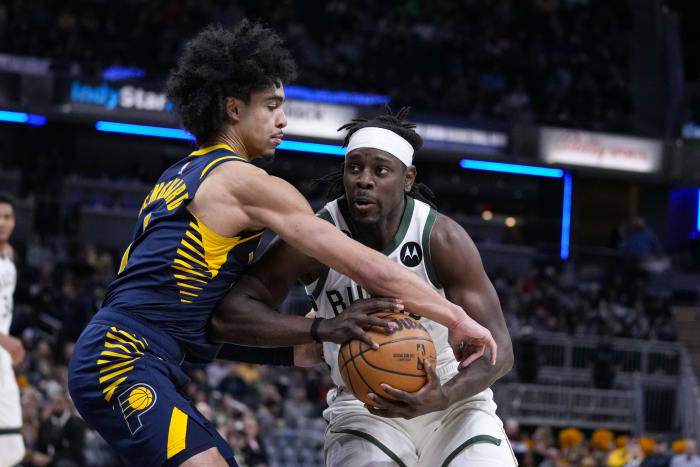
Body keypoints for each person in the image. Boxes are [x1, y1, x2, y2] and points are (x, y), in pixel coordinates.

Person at [67, 21, 496, 467]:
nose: (283, 120)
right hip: (124, 356)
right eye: (271, 106)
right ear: (234, 109)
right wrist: (454, 317)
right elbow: (366, 265)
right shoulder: (246, 182)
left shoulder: (179, 175)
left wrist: (308, 339)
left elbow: (197, 313)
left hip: (135, 350)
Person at [210, 108, 516, 466]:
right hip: (362, 402)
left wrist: (444, 396)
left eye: (380, 170)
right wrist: (319, 329)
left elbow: (501, 351)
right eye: (354, 168)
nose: (363, 180)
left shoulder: (441, 237)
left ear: (407, 177)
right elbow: (233, 311)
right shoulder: (312, 235)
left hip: (450, 397)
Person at [0, 193, 25, 467]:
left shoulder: (9, 257)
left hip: (2, 356)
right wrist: (5, 341)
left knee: (10, 446)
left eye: (6, 217)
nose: (2, 222)